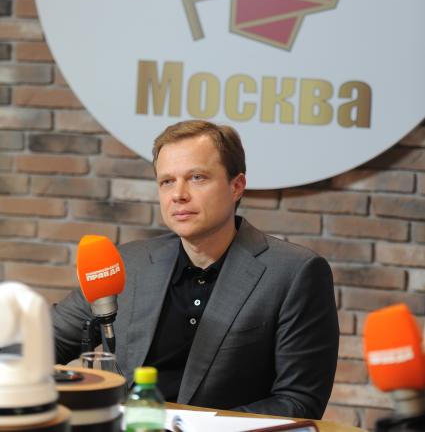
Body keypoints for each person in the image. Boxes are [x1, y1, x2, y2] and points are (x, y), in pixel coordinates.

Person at [52, 120, 339, 418]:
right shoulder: (129, 263)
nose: (178, 194)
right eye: (167, 181)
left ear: (236, 186)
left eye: (197, 177)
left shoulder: (295, 273)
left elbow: (299, 401)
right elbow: (47, 340)